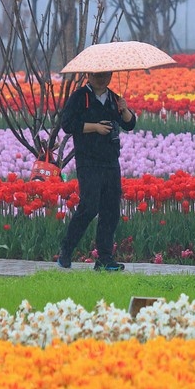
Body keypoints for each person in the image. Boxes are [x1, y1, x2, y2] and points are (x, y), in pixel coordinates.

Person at [57, 71, 136, 271]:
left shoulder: (113, 98)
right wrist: (94, 127)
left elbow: (129, 124)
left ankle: (105, 258)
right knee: (89, 206)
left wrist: (125, 110)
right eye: (96, 75)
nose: (101, 78)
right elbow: (67, 124)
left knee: (111, 210)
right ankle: (66, 250)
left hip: (110, 160)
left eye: (105, 75)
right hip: (88, 160)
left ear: (110, 76)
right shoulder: (80, 97)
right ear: (88, 75)